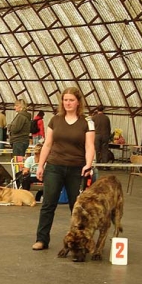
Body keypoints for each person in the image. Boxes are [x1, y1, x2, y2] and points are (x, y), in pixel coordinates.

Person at [32, 87, 95, 250]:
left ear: (78, 102)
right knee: (48, 204)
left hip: (77, 169)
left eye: (71, 100)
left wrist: (88, 164)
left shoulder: (87, 122)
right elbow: (47, 144)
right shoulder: (55, 120)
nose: (68, 103)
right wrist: (40, 165)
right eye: (65, 100)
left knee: (77, 208)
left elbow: (89, 146)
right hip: (54, 167)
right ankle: (41, 239)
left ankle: (80, 241)